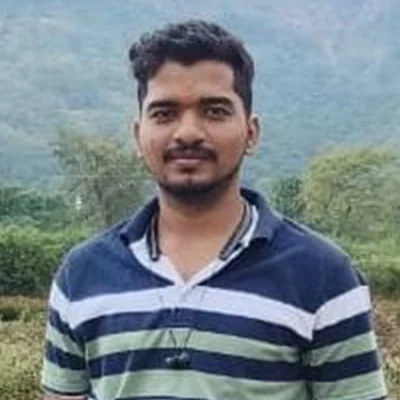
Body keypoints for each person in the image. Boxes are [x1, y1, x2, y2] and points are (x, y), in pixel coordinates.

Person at [41, 20, 388, 400]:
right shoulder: (82, 273)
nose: (188, 132)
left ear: (251, 132)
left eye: (215, 111)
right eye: (164, 113)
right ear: (138, 135)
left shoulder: (322, 274)